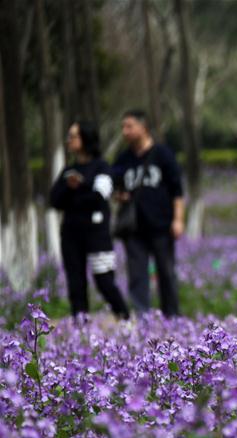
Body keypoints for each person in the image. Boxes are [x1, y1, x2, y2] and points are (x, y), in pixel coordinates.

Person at [50, 121, 130, 320]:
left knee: (104, 280)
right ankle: (81, 328)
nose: (69, 140)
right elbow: (55, 200)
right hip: (71, 233)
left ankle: (125, 319)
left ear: (85, 139)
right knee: (75, 283)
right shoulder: (69, 170)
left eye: (73, 136)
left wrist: (81, 186)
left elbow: (99, 196)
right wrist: (70, 188)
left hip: (97, 234)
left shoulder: (101, 167)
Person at [112, 109, 185, 317]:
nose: (125, 131)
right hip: (134, 228)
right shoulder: (123, 159)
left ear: (143, 127)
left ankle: (172, 318)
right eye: (123, 127)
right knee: (137, 276)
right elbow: (113, 185)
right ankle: (143, 318)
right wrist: (119, 196)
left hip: (161, 225)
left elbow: (177, 190)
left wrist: (178, 219)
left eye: (129, 126)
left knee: (166, 273)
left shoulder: (162, 154)